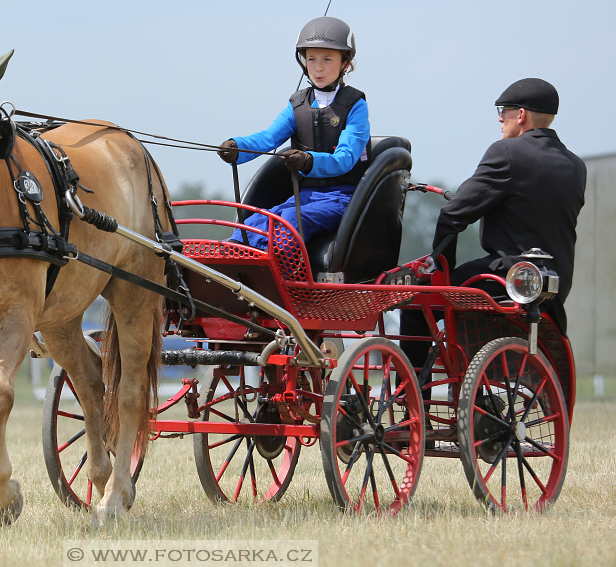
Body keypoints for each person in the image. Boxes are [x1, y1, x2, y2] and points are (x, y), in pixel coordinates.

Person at [401, 78, 586, 380]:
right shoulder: (576, 166)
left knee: (416, 303)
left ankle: (413, 401)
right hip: (552, 287)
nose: (500, 118)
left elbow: (453, 215)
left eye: (503, 111)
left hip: (507, 279)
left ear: (521, 115)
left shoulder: (508, 153)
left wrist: (441, 274)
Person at [217, 16, 370, 249]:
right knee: (252, 224)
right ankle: (230, 266)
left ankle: (284, 281)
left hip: (342, 199)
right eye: (311, 59)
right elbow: (268, 138)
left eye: (327, 59)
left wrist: (308, 161)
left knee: (289, 222)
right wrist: (237, 148)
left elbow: (346, 159)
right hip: (303, 197)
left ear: (345, 63)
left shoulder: (355, 105)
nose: (318, 68)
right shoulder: (297, 105)